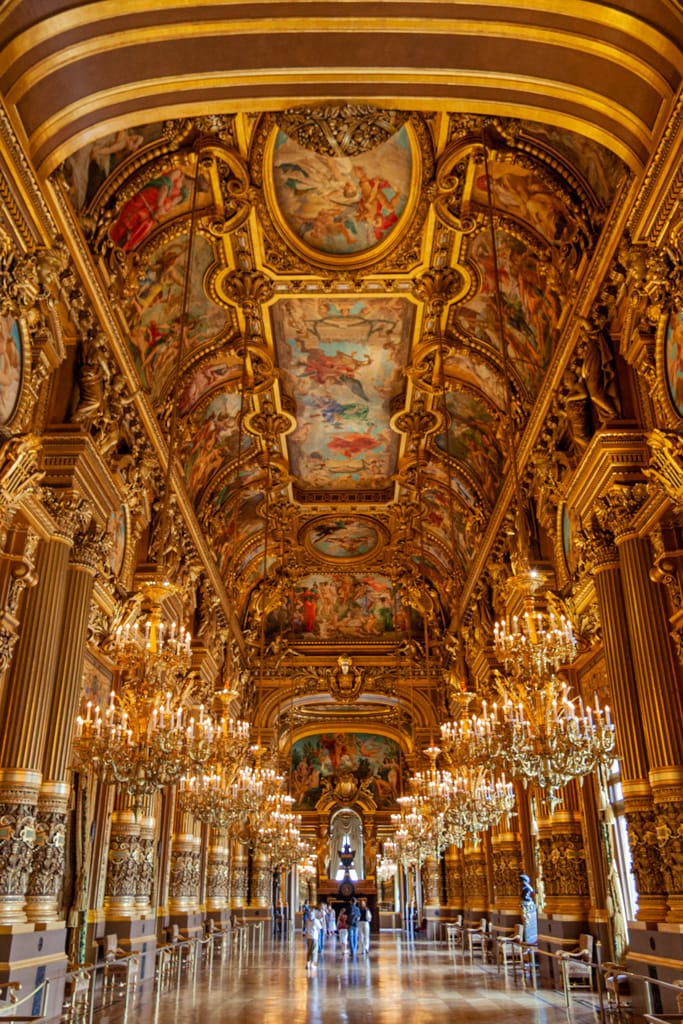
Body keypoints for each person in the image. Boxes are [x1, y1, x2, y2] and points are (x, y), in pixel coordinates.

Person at [305, 906, 322, 971]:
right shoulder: (316, 921)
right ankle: (312, 964)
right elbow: (320, 929)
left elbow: (306, 928)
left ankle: (307, 963)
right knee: (314, 951)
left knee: (309, 951)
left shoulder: (307, 921)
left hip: (308, 937)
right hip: (314, 937)